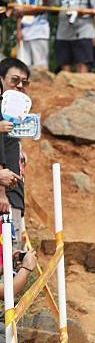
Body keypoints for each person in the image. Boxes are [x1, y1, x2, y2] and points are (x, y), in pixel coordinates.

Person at [0, 58, 31, 250]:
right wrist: (1, 193)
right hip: (5, 197)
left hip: (14, 194)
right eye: (14, 80)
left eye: (24, 82)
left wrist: (19, 152)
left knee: (13, 258)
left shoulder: (11, 111)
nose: (20, 85)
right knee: (7, 260)